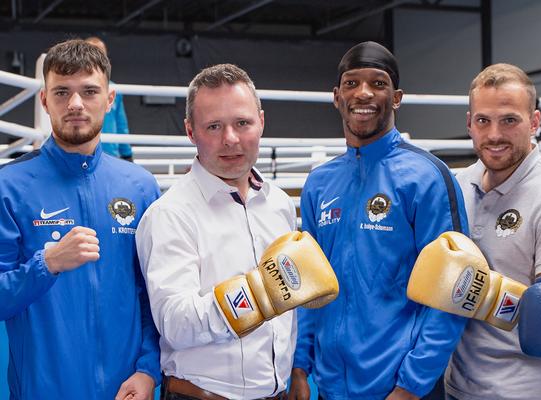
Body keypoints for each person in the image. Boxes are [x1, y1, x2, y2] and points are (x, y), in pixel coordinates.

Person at [135, 63, 338, 400]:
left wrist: (296, 367)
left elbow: (287, 314)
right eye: (213, 126)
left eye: (242, 123)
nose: (230, 139)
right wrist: (257, 295)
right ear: (190, 131)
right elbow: (175, 323)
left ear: (261, 121)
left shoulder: (279, 205)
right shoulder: (170, 214)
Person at [289, 41, 469, 400]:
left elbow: (454, 291)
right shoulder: (320, 183)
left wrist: (411, 386)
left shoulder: (427, 177)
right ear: (337, 96)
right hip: (331, 387)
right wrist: (299, 366)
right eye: (352, 84)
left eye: (378, 83)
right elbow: (308, 286)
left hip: (401, 389)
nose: (364, 93)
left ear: (397, 97)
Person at [0, 39, 161, 399]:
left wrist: (149, 371)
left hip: (127, 391)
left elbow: (155, 296)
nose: (75, 104)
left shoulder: (140, 186)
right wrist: (48, 263)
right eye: (62, 93)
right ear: (44, 100)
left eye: (89, 91)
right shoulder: (8, 186)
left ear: (109, 99)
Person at [444, 63, 541, 400]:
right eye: (483, 121)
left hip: (528, 390)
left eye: (509, 120)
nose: (494, 135)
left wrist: (477, 290)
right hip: (460, 386)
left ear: (534, 122)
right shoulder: (457, 186)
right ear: (469, 124)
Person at [86, 36, 134, 161]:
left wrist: (127, 154)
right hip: (83, 154)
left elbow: (121, 124)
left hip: (111, 155)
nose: (95, 60)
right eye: (91, 54)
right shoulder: (75, 89)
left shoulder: (114, 89)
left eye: (100, 56)